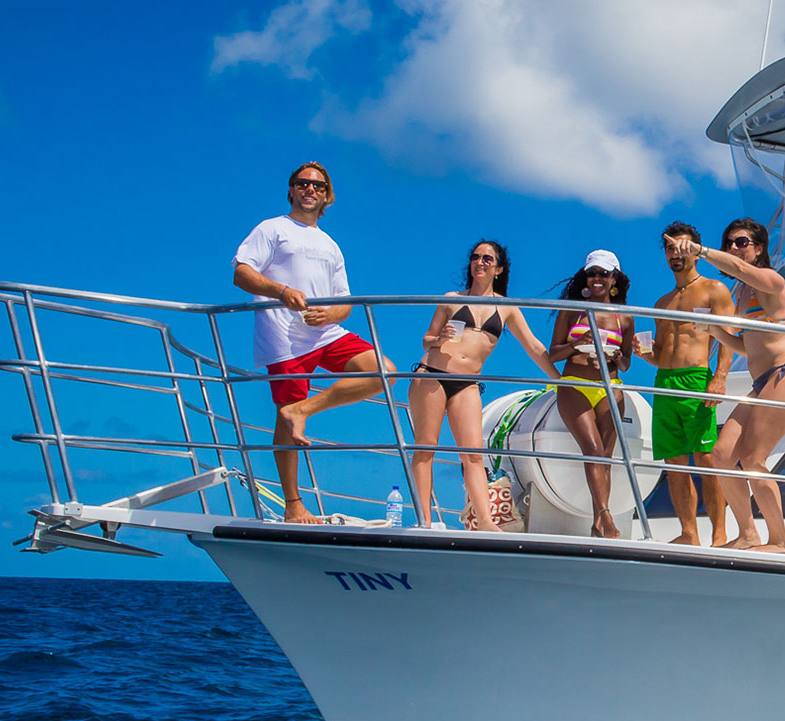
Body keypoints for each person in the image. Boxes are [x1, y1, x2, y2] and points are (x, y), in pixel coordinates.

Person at [233, 162, 395, 525]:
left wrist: (331, 315)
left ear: (327, 196)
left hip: (325, 333)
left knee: (384, 372)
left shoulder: (330, 245)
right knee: (284, 419)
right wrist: (281, 291)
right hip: (284, 335)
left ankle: (304, 410)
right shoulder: (273, 228)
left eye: (318, 186)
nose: (310, 189)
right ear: (291, 190)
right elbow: (241, 273)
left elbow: (345, 302)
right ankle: (294, 504)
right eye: (302, 183)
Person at [664, 219, 785, 555]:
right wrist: (713, 329)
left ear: (759, 248)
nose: (733, 248)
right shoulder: (741, 293)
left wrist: (700, 251)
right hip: (762, 381)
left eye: (741, 242)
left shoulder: (772, 280)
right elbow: (748, 346)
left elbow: (738, 268)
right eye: (729, 242)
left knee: (753, 458)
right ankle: (747, 534)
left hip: (784, 375)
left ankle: (781, 542)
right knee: (721, 455)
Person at [408, 240, 559, 530]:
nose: (480, 262)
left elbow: (532, 345)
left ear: (499, 269)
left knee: (474, 455)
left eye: (488, 259)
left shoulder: (507, 308)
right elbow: (427, 339)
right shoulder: (451, 299)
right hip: (433, 375)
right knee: (426, 449)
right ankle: (424, 521)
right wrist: (438, 340)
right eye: (476, 257)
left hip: (467, 384)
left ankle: (487, 522)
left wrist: (558, 380)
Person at [649, 222, 734, 546]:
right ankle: (689, 532)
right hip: (663, 381)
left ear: (695, 251)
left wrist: (720, 378)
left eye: (681, 247)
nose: (675, 253)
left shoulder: (714, 290)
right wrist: (644, 354)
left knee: (706, 457)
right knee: (674, 462)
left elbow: (728, 337)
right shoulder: (661, 303)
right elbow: (659, 353)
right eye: (670, 248)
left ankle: (719, 532)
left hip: (696, 378)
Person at [549, 250, 635, 539]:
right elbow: (555, 353)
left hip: (610, 385)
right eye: (592, 272)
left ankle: (597, 526)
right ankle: (606, 517)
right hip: (575, 383)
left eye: (604, 273)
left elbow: (626, 363)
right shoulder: (573, 309)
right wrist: (580, 344)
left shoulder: (624, 317)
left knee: (606, 457)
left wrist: (613, 357)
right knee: (594, 450)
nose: (597, 278)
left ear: (614, 279)